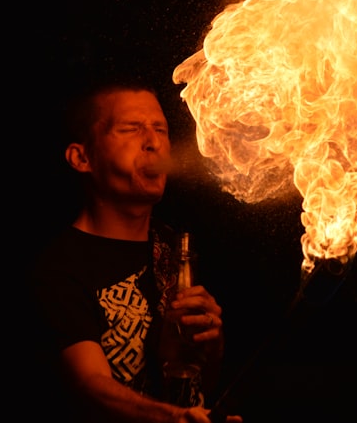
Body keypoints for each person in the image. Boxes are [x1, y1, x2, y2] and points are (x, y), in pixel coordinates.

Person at [30, 80, 240, 422]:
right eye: (131, 129)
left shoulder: (173, 250)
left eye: (161, 129)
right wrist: (175, 419)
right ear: (82, 157)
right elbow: (89, 386)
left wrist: (210, 347)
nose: (153, 142)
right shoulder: (59, 268)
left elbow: (197, 387)